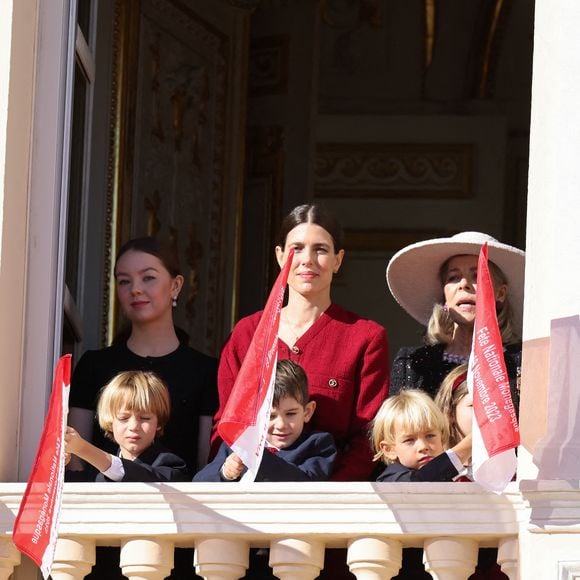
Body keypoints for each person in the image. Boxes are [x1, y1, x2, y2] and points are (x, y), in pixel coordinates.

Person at [210, 203, 390, 482]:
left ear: (338, 260)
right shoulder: (247, 333)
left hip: (332, 501)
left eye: (321, 249)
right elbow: (225, 425)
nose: (307, 259)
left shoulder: (365, 337)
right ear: (280, 256)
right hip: (249, 499)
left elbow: (369, 434)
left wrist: (328, 496)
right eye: (296, 249)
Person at [68, 236, 218, 480]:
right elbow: (75, 463)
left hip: (180, 511)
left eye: (148, 277)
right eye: (124, 281)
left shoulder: (205, 370)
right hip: (100, 508)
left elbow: (204, 464)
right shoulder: (94, 365)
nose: (135, 289)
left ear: (175, 286)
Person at [386, 231, 525, 408]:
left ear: (500, 293)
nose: (463, 284)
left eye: (477, 276)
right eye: (453, 277)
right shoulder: (413, 362)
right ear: (444, 296)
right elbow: (397, 430)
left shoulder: (521, 362)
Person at [195, 359, 337, 482]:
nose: (281, 425)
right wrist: (225, 472)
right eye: (270, 416)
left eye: (291, 413)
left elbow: (306, 483)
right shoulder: (238, 444)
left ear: (307, 412)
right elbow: (199, 484)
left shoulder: (318, 445)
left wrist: (258, 459)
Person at [65, 370, 188, 482]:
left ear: (159, 422)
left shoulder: (172, 465)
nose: (134, 426)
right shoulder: (95, 470)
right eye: (123, 418)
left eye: (145, 418)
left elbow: (139, 475)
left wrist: (82, 449)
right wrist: (58, 464)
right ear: (110, 422)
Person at [371, 389, 472, 482]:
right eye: (409, 440)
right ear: (389, 449)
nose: (423, 447)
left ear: (442, 437)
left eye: (430, 436)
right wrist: (472, 441)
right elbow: (418, 483)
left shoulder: (456, 474)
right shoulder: (391, 479)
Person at [434, 364, 472, 449]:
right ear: (451, 413)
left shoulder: (507, 460)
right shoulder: (435, 460)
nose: (487, 412)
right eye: (473, 406)